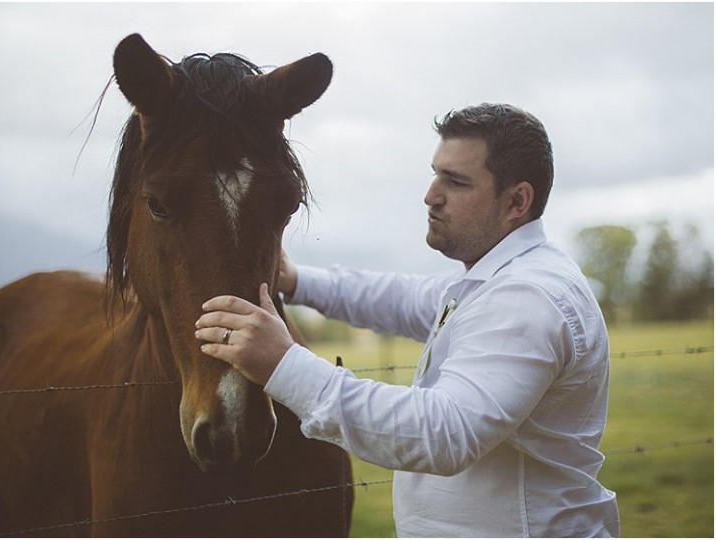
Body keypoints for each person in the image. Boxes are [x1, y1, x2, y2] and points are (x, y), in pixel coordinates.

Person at [195, 103, 620, 537]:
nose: (431, 195)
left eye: (455, 181)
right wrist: (298, 280)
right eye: (436, 174)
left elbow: (444, 434)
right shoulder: (495, 281)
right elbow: (401, 299)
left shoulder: (526, 296)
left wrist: (284, 365)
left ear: (517, 201)